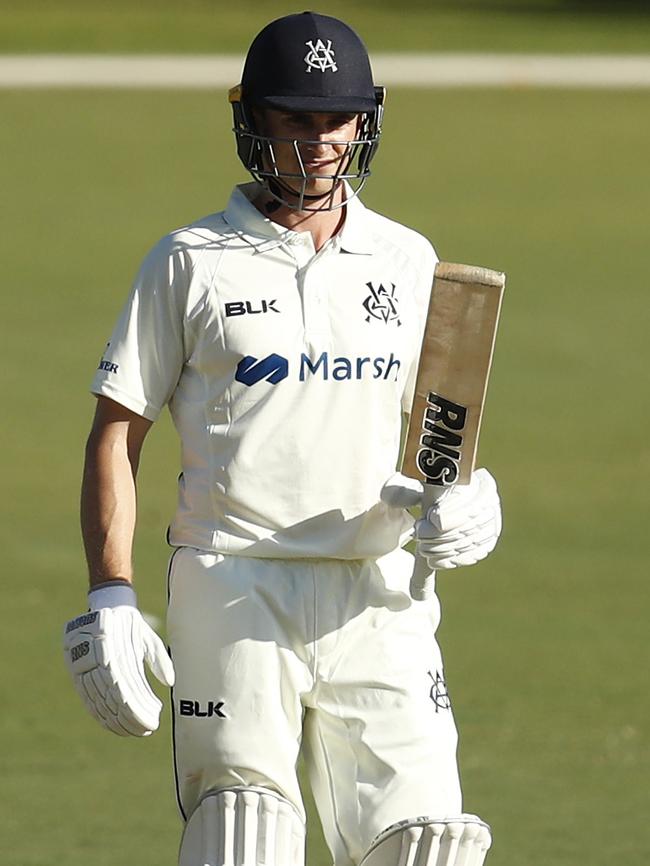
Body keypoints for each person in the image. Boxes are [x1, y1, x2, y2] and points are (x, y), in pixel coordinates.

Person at [63, 12, 502, 866]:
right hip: (234, 580)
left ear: (364, 123)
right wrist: (109, 595)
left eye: (333, 120)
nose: (317, 143)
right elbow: (117, 431)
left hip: (379, 591)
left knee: (431, 847)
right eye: (294, 119)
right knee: (244, 834)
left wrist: (470, 502)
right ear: (251, 120)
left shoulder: (410, 260)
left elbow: (443, 430)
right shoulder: (189, 259)